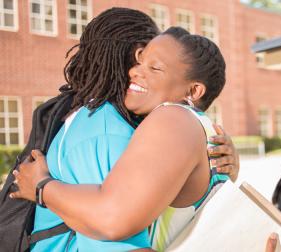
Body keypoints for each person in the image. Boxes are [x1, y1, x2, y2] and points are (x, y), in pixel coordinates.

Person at [10, 8, 239, 251]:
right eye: (139, 59)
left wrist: (42, 187)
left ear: (193, 91)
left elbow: (113, 224)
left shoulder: (170, 120)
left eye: (154, 67)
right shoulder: (109, 130)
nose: (134, 71)